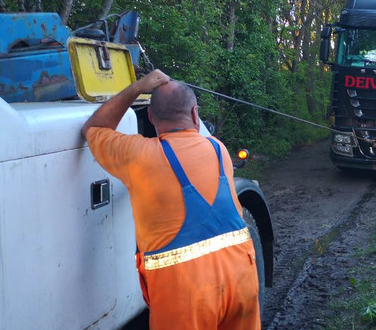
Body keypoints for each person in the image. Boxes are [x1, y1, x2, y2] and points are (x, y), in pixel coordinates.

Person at [81, 69, 260, 330]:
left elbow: (94, 128)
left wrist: (136, 88)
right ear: (195, 114)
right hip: (241, 277)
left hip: (184, 292)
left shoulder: (138, 156)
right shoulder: (218, 149)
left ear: (151, 117)